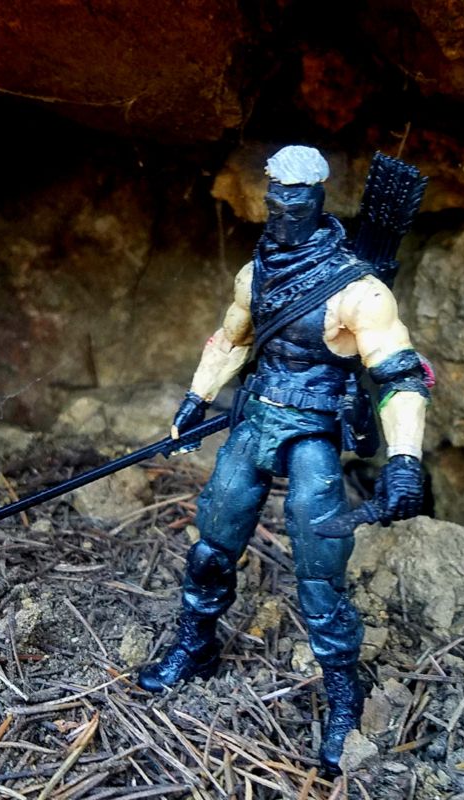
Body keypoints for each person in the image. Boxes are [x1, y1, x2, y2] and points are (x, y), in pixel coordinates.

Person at [139, 145, 431, 774]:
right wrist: (197, 397)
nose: (283, 208)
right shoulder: (256, 273)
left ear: (318, 199)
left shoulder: (359, 291)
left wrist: (405, 459)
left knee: (320, 564)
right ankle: (196, 644)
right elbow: (232, 339)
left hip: (313, 429)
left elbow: (400, 375)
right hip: (256, 418)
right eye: (275, 197)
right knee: (213, 543)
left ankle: (343, 695)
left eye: (296, 198)